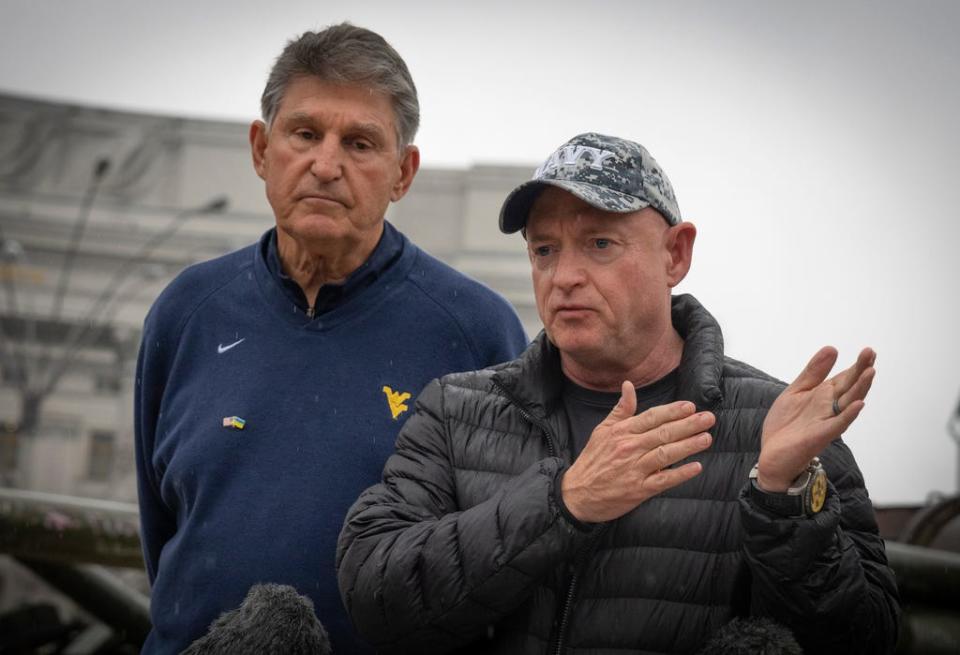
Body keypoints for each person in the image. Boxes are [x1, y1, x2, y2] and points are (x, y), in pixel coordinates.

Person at [337, 133, 901, 654]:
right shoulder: (456, 412)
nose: (563, 277)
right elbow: (376, 598)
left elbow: (868, 639)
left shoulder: (777, 428)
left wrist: (785, 503)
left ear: (675, 254)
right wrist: (563, 502)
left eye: (599, 243)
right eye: (544, 250)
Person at [134, 24, 527, 654]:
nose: (326, 163)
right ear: (263, 149)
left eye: (361, 143)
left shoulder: (475, 331)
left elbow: (506, 553)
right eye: (306, 133)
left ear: (403, 172)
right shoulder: (188, 312)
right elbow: (164, 532)